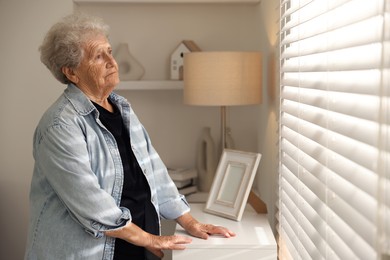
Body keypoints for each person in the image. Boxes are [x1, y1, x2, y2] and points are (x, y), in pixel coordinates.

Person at [24, 13, 235, 260]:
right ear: (71, 73)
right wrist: (150, 239)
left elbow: (153, 170)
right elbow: (92, 204)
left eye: (110, 52)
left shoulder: (122, 108)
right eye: (98, 56)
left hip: (136, 246)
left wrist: (189, 221)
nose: (112, 62)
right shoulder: (60, 125)